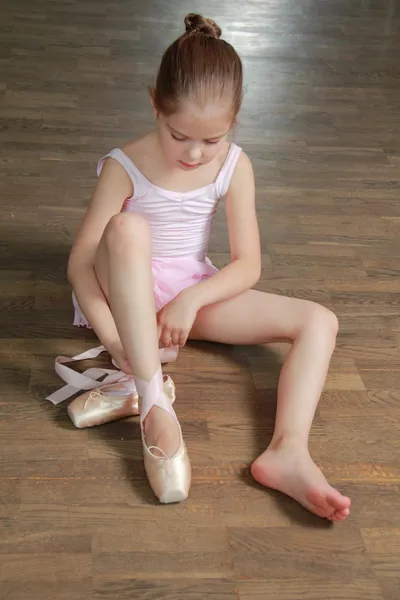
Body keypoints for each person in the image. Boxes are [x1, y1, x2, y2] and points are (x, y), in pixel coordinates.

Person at [62, 13, 351, 518]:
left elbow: (248, 264)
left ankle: (289, 450)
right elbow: (82, 266)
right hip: (123, 285)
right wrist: (114, 340)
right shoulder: (122, 164)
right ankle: (154, 403)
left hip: (185, 295)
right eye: (179, 136)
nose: (194, 153)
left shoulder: (236, 166)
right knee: (130, 229)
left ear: (233, 122)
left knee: (319, 321)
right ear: (155, 103)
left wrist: (191, 299)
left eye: (211, 141)